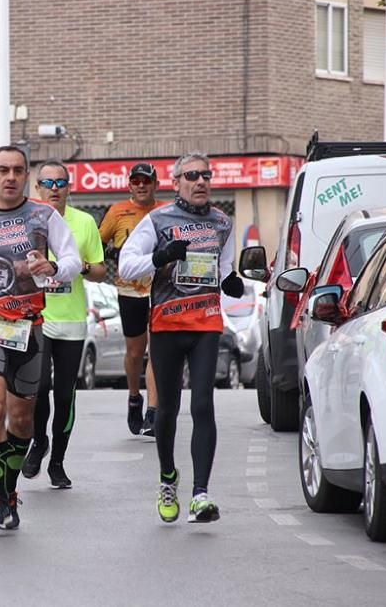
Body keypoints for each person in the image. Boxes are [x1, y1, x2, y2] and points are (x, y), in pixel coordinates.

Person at [0, 146, 80, 529]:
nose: (10, 177)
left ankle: (10, 491)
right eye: (3, 170)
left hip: (28, 326)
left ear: (26, 177)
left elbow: (71, 260)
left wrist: (52, 266)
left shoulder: (44, 215)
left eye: (18, 171)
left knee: (22, 419)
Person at [119, 152, 244, 524]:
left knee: (203, 404)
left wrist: (231, 281)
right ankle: (168, 478)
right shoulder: (157, 220)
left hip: (206, 324)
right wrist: (159, 258)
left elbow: (224, 268)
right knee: (168, 411)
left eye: (206, 175)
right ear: (176, 183)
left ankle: (201, 494)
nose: (201, 181)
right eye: (192, 175)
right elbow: (126, 265)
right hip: (167, 325)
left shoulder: (223, 222)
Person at [22, 160, 106, 488]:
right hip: (38, 319)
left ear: (69, 188)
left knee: (65, 395)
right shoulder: (26, 221)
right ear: (38, 188)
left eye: (61, 183)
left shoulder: (84, 223)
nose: (54, 189)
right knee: (39, 387)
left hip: (71, 319)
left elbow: (100, 271)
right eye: (48, 183)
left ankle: (57, 461)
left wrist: (79, 266)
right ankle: (38, 441)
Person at [98, 162, 166, 436]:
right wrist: (112, 254)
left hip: (159, 290)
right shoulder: (117, 212)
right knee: (135, 352)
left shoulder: (165, 211)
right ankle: (134, 397)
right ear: (129, 185)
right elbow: (97, 243)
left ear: (155, 184)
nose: (141, 186)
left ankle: (153, 410)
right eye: (136, 181)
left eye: (146, 181)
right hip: (129, 290)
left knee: (156, 350)